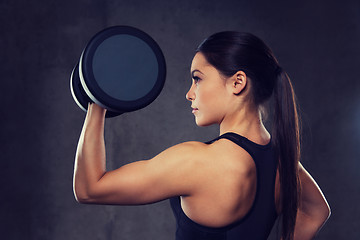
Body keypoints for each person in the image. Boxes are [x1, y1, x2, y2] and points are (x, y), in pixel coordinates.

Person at [73, 31, 330, 240]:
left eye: (197, 79)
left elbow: (89, 189)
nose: (189, 93)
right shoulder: (285, 163)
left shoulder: (198, 162)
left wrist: (99, 99)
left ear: (237, 83)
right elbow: (317, 210)